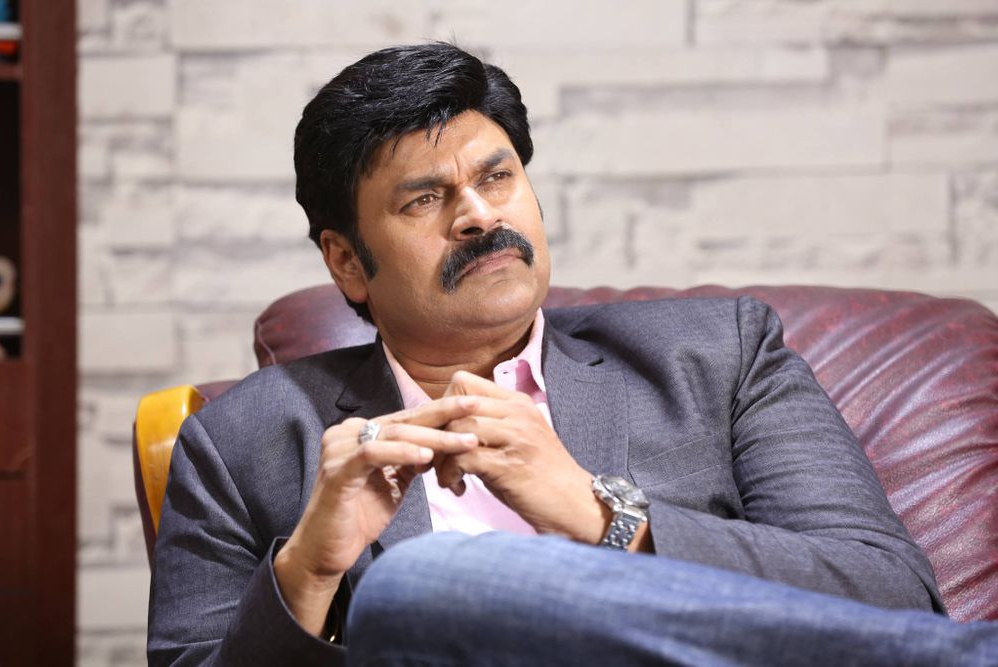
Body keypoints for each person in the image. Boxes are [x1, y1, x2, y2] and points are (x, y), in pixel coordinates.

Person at [148, 43, 954, 665]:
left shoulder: (717, 358)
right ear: (348, 262)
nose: (478, 215)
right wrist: (308, 574)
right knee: (413, 588)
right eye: (425, 198)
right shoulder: (241, 442)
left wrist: (602, 515)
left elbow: (898, 600)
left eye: (497, 177)